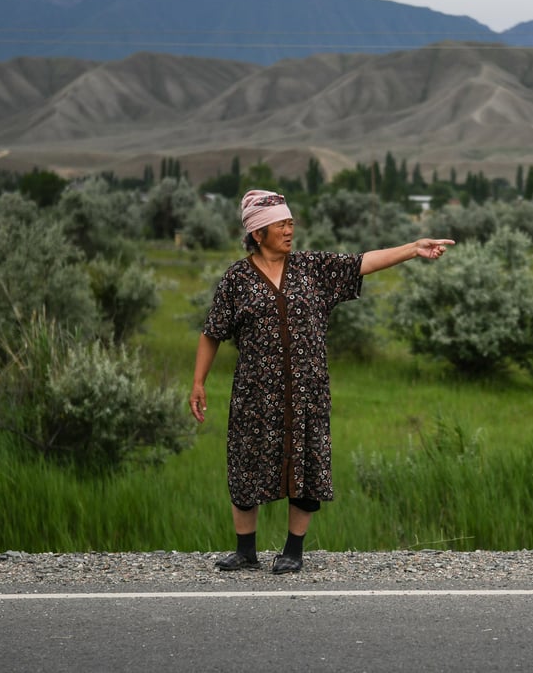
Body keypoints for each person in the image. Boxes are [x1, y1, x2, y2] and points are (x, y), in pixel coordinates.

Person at [190, 189, 454, 574]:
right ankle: (245, 551)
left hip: (306, 395)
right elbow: (212, 332)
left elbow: (362, 262)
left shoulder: (314, 268)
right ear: (258, 233)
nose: (289, 228)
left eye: (290, 221)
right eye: (280, 223)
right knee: (245, 467)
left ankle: (293, 551)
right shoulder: (237, 279)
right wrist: (199, 382)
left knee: (306, 467)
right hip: (254, 395)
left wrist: (413, 248)